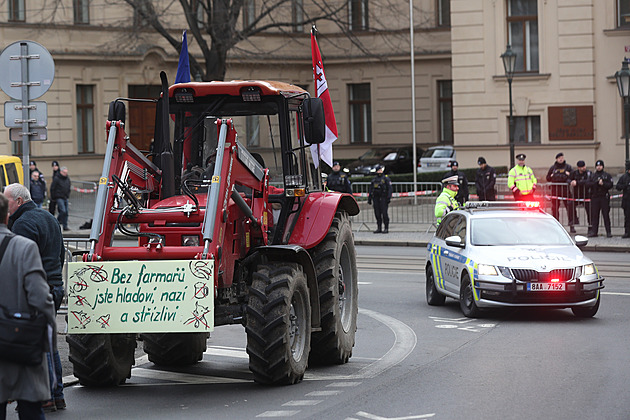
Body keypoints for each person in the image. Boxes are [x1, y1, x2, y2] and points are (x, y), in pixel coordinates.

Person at [5, 183, 66, 412]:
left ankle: (46, 396)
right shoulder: (48, 217)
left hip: (38, 289)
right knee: (50, 343)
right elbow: (60, 253)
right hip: (55, 286)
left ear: (19, 201)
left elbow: (19, 259)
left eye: (6, 201)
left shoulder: (22, 223)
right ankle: (57, 394)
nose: (4, 206)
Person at [546, 152, 575, 232]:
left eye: (562, 157)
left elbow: (573, 176)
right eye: (559, 158)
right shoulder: (553, 168)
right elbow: (548, 178)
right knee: (555, 208)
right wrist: (552, 176)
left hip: (565, 190)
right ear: (556, 159)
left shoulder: (568, 167)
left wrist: (568, 175)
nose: (561, 159)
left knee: (569, 208)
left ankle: (571, 225)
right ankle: (556, 225)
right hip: (555, 191)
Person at [586, 160, 613, 238]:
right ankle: (594, 231)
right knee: (595, 216)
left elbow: (610, 185)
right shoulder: (592, 175)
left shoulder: (606, 175)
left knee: (606, 215)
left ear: (603, 166)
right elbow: (588, 184)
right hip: (595, 197)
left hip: (604, 197)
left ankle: (608, 232)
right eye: (597, 166)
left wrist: (603, 184)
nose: (599, 167)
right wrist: (596, 183)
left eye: (600, 166)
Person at [367, 164, 392, 234]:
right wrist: (369, 199)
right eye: (378, 170)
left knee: (384, 214)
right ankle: (379, 228)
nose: (380, 171)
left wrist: (388, 197)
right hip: (376, 198)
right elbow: (371, 189)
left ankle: (386, 228)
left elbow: (390, 189)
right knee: (377, 214)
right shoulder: (374, 180)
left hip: (383, 198)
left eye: (381, 170)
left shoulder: (386, 178)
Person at [570, 160, 592, 232]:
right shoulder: (574, 173)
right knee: (570, 206)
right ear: (578, 168)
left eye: (584, 166)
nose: (584, 168)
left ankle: (590, 226)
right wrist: (571, 182)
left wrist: (577, 183)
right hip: (577, 195)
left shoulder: (588, 173)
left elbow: (588, 181)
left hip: (586, 195)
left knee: (589, 211)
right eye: (582, 167)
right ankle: (573, 223)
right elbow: (568, 179)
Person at [50, 166, 71, 231]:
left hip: (65, 197)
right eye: (64, 172)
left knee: (66, 212)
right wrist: (53, 197)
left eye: (66, 172)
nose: (65, 174)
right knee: (63, 210)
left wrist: (67, 194)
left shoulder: (67, 178)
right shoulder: (57, 178)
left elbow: (68, 186)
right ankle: (57, 221)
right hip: (59, 197)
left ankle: (65, 226)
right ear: (61, 172)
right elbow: (52, 188)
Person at [615, 163, 630, 238]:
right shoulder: (624, 177)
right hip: (627, 201)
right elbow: (618, 187)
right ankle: (627, 232)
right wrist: (625, 186)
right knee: (627, 217)